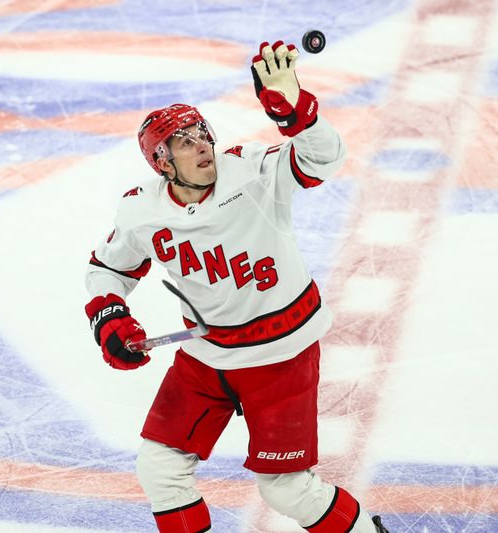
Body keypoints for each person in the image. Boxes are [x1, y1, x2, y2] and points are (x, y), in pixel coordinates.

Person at [84, 40, 389, 533]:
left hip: (280, 357)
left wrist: (296, 115)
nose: (203, 145)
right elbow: (107, 270)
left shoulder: (251, 172)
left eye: (203, 134)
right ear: (162, 162)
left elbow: (325, 159)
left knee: (286, 489)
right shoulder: (142, 210)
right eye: (185, 142)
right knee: (159, 469)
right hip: (206, 356)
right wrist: (109, 317)